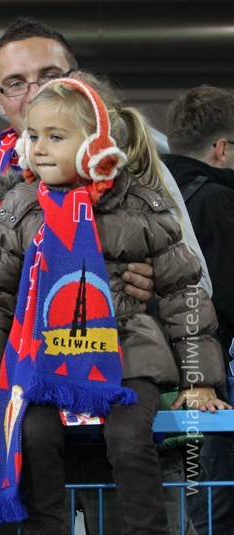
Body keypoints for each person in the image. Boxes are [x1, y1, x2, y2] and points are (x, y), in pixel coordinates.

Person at [0, 16, 211, 535]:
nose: (36, 91)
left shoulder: (141, 177)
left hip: (134, 414)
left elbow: (193, 287)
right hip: (26, 409)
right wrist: (32, 304)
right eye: (17, 83)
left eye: (50, 75)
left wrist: (135, 299)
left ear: (79, 80)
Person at [164, 85, 234, 535]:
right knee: (215, 512)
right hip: (207, 381)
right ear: (222, 149)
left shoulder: (153, 194)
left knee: (192, 509)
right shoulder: (216, 201)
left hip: (164, 378)